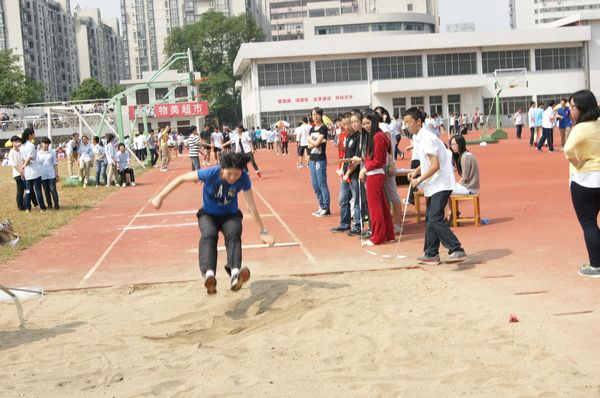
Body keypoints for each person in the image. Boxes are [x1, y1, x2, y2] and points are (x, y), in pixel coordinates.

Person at [151, 152, 275, 294]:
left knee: (234, 232)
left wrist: (263, 232)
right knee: (209, 235)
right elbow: (182, 178)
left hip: (230, 215)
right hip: (208, 215)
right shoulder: (211, 173)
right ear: (222, 169)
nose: (233, 178)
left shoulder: (244, 179)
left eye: (237, 174)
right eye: (230, 174)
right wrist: (160, 196)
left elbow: (251, 205)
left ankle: (235, 273)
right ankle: (209, 276)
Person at [404, 108, 467, 265]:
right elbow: (428, 162)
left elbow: (435, 165)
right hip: (433, 184)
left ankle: (456, 248)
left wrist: (418, 180)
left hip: (441, 183)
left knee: (434, 219)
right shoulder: (419, 138)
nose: (406, 126)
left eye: (409, 122)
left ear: (419, 122)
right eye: (405, 123)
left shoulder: (427, 138)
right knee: (430, 220)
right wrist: (416, 171)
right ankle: (431, 253)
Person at [563, 90, 600, 278]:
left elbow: (567, 149)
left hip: (585, 180)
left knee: (589, 224)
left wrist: (577, 163)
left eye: (572, 107)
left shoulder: (581, 128)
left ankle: (595, 266)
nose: (570, 110)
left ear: (582, 108)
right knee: (593, 224)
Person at [358, 109, 395, 246]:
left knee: (375, 208)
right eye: (364, 124)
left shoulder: (378, 136)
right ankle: (388, 234)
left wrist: (365, 169)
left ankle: (377, 237)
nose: (365, 126)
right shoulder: (375, 136)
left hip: (375, 174)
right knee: (382, 206)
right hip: (374, 173)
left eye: (368, 123)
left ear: (374, 122)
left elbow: (378, 160)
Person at [308, 107, 331, 217]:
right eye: (313, 114)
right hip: (312, 159)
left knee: (322, 183)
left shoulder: (323, 128)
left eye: (317, 114)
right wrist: (314, 142)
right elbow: (309, 145)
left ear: (321, 115)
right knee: (315, 184)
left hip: (320, 159)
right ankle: (321, 205)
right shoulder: (312, 129)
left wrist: (312, 141)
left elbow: (316, 144)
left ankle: (326, 207)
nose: (315, 116)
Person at [20, 128, 46, 212]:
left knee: (28, 191)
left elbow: (23, 159)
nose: (35, 135)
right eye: (33, 134)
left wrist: (24, 167)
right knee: (38, 190)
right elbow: (29, 158)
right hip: (34, 171)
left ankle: (28, 208)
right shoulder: (30, 145)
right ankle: (42, 207)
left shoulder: (22, 146)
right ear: (29, 135)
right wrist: (24, 166)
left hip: (28, 173)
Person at [38, 137, 60, 209]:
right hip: (42, 175)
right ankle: (49, 204)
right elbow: (37, 165)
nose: (46, 145)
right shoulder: (38, 154)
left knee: (53, 190)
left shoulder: (52, 152)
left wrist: (57, 175)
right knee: (46, 191)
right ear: (41, 144)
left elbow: (55, 164)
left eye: (48, 144)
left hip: (51, 175)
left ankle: (56, 204)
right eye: (45, 143)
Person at [7, 135, 25, 211]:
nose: (18, 143)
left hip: (23, 172)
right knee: (20, 190)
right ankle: (20, 206)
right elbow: (14, 165)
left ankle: (23, 204)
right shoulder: (12, 152)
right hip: (17, 174)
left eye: (18, 141)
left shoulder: (20, 151)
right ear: (12, 143)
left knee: (23, 190)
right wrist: (21, 172)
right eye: (16, 141)